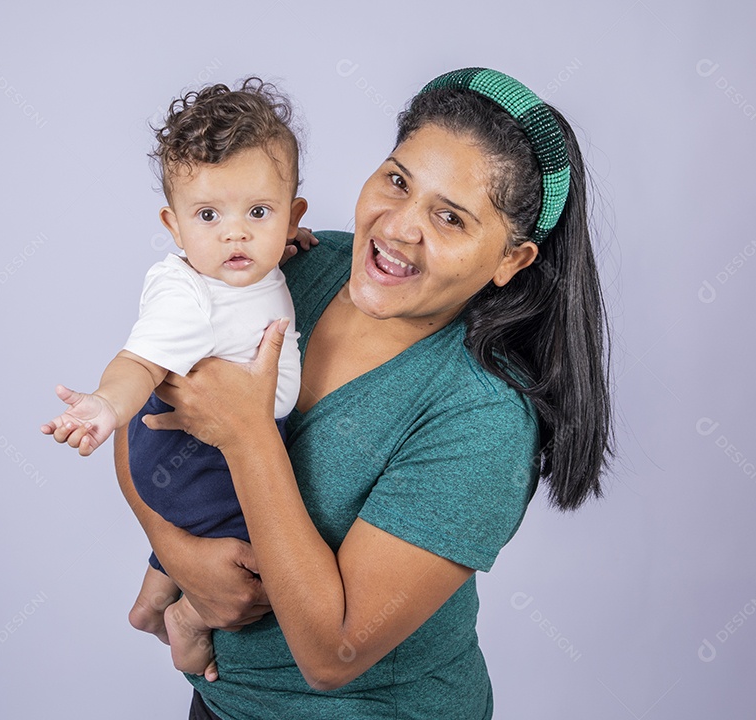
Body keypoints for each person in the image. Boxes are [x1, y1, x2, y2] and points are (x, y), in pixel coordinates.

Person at [55, 66, 612, 719]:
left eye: (450, 218)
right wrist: (182, 555)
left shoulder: (483, 415)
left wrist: (248, 435)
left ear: (510, 261)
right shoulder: (297, 265)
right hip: (224, 706)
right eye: (398, 181)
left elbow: (332, 655)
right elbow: (144, 400)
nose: (400, 228)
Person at [40, 78, 308, 679]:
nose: (235, 233)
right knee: (286, 551)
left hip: (208, 447)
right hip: (194, 453)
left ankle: (149, 602)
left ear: (292, 217)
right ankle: (188, 616)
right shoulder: (187, 295)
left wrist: (286, 247)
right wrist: (106, 406)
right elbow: (140, 362)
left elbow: (259, 271)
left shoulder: (251, 263)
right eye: (208, 215)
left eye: (258, 213)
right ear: (174, 225)